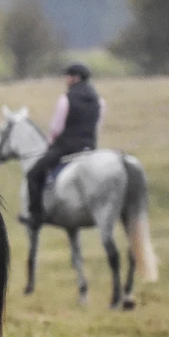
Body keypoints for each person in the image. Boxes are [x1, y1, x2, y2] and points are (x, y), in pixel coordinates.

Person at [25, 63, 105, 226]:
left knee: (33, 174)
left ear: (75, 78)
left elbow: (56, 128)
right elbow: (97, 126)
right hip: (89, 147)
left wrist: (50, 144)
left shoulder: (66, 99)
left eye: (68, 76)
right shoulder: (99, 101)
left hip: (67, 147)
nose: (66, 79)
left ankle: (36, 215)